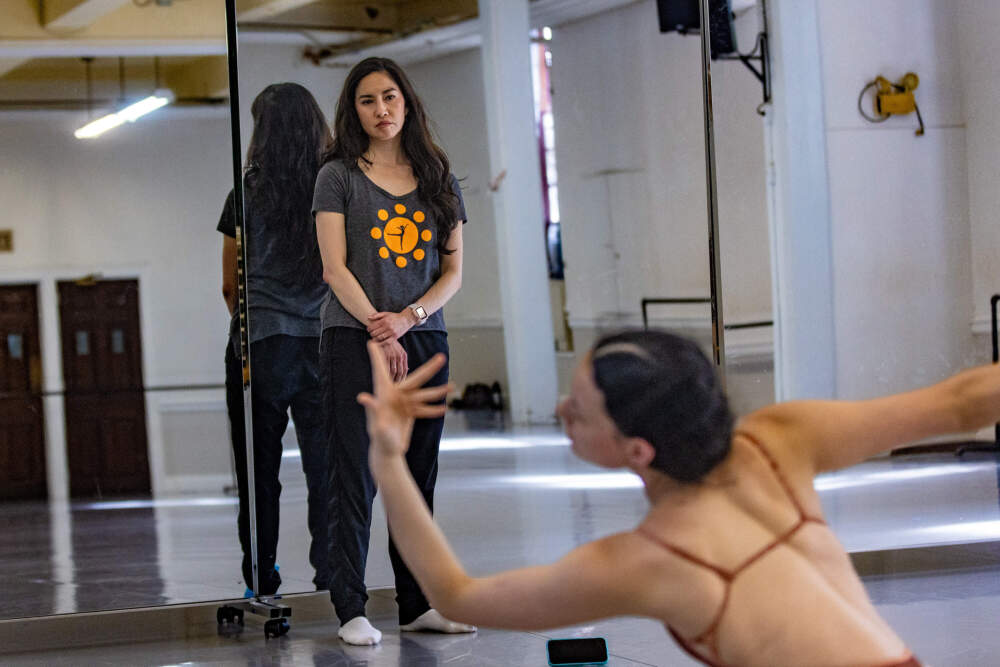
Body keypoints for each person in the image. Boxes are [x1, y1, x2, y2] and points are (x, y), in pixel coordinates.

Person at [357, 328, 1000, 665]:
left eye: (577, 412)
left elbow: (457, 595)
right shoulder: (780, 437)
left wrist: (388, 457)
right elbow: (965, 401)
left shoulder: (652, 561)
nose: (559, 410)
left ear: (638, 452)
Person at [313, 56, 473, 645]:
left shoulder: (439, 176)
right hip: (353, 337)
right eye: (366, 101)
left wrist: (410, 319)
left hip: (425, 337)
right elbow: (334, 268)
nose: (381, 111)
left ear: (406, 102)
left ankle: (417, 603)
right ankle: (351, 608)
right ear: (352, 111)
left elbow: (453, 271)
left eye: (389, 98)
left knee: (418, 476)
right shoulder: (337, 176)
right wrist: (383, 329)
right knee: (354, 474)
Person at [219, 82, 332, 597]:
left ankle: (263, 578)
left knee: (259, 473)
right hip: (323, 344)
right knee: (325, 467)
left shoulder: (244, 193)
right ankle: (333, 572)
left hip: (261, 346)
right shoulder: (334, 188)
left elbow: (230, 285)